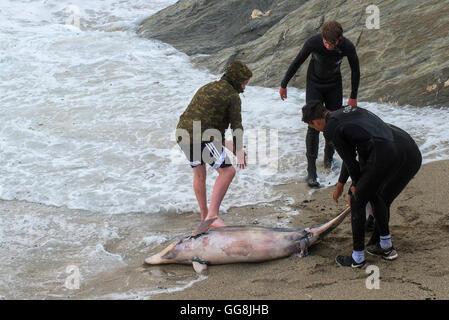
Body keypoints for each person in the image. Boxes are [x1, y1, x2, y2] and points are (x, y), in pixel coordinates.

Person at [301, 101, 422, 268]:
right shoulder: (342, 113)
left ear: (316, 121)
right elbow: (350, 155)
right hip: (394, 148)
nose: (314, 129)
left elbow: (350, 161)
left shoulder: (330, 129)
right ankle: (386, 247)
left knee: (358, 201)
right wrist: (342, 184)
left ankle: (358, 258)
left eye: (312, 126)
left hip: (381, 154)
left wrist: (355, 186)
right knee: (374, 194)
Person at [279, 21, 360, 188]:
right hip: (315, 84)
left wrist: (353, 97)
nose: (329, 47)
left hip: (334, 86)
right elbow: (297, 62)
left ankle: (329, 160)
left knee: (333, 124)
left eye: (332, 44)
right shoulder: (313, 42)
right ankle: (311, 172)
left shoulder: (347, 46)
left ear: (340, 39)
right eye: (326, 43)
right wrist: (284, 84)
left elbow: (355, 70)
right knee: (313, 126)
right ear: (322, 38)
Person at [176, 61, 252, 228]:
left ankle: (205, 217)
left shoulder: (207, 87)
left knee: (199, 173)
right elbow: (236, 126)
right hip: (200, 137)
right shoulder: (232, 96)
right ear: (236, 79)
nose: (244, 88)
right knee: (227, 171)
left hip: (182, 133)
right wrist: (238, 150)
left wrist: (226, 143)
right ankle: (213, 216)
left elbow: (205, 121)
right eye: (244, 83)